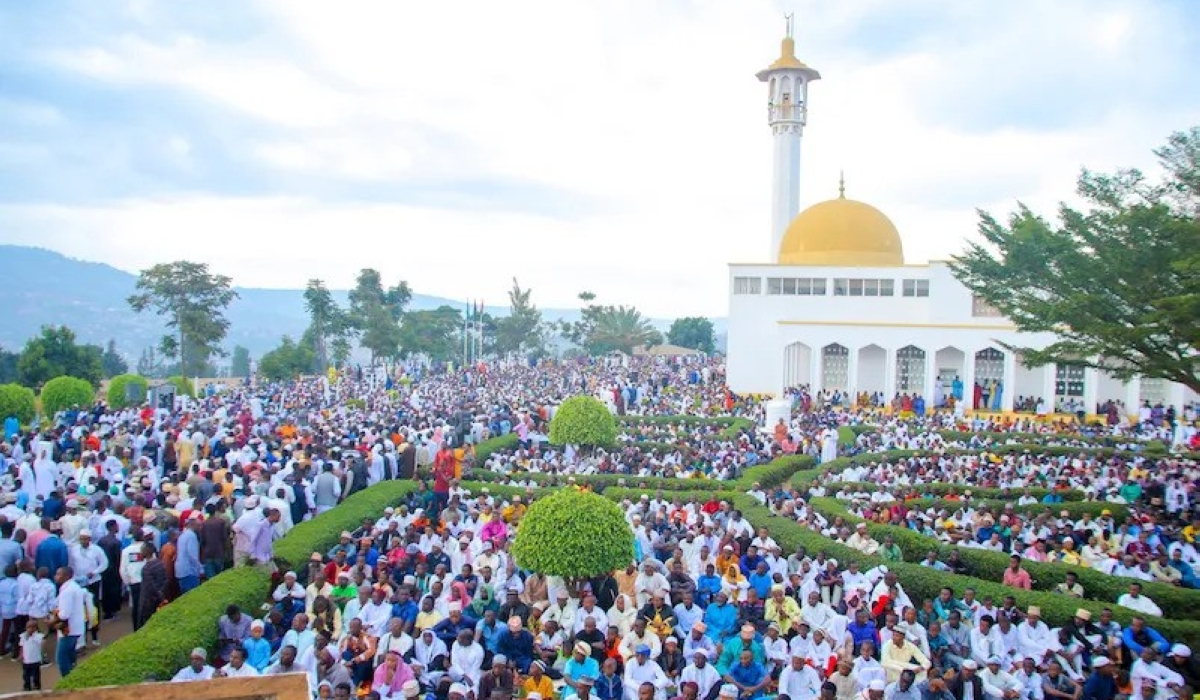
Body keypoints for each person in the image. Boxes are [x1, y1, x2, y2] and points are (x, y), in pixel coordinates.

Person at [53, 565, 86, 678]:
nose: (55, 576)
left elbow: (64, 614)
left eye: (58, 574)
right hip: (76, 628)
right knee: (70, 656)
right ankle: (74, 677)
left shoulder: (68, 590)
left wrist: (54, 619)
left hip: (69, 629)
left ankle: (67, 680)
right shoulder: (73, 587)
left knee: (61, 657)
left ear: (66, 576)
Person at [19, 618, 44, 691]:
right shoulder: (23, 636)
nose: (29, 629)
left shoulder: (38, 636)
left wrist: (32, 636)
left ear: (36, 628)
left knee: (36, 675)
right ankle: (27, 686)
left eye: (32, 627)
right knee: (26, 675)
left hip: (35, 660)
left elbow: (41, 643)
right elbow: (22, 646)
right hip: (26, 660)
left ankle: (37, 686)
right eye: (28, 627)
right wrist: (21, 655)